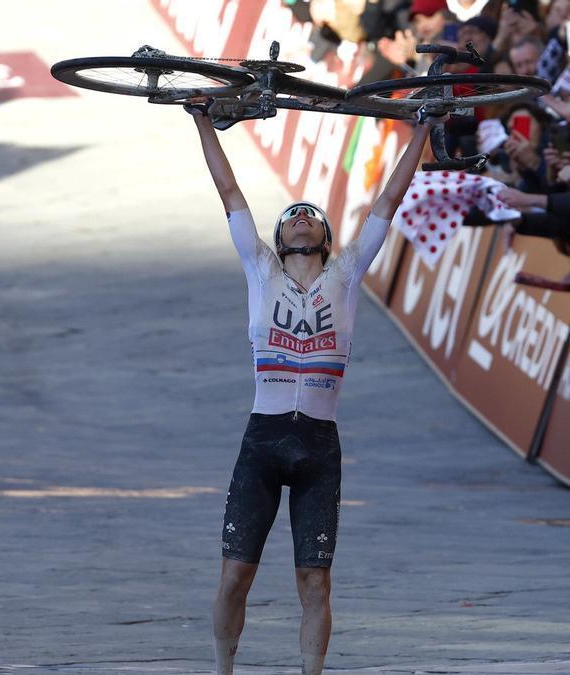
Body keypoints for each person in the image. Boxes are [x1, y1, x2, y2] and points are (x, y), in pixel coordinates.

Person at [187, 102, 444, 675]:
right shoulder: (259, 266)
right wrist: (202, 121)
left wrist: (423, 128)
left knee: (315, 579)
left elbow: (387, 201)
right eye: (292, 215)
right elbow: (228, 190)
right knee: (235, 575)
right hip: (263, 438)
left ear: (327, 236)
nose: (301, 217)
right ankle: (222, 669)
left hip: (319, 446)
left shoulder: (348, 271)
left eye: (312, 214)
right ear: (278, 235)